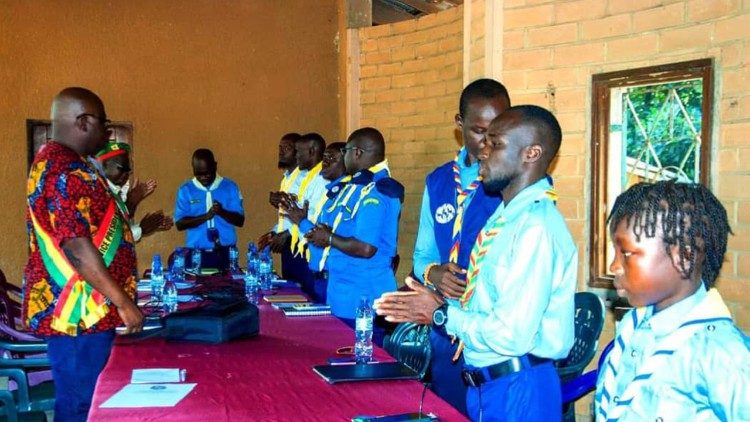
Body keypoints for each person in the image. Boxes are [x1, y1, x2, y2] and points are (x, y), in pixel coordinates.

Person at [374, 105, 576, 421]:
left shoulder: (535, 227)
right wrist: (456, 317)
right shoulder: (506, 216)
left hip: (519, 389)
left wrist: (441, 315)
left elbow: (511, 334)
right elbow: (491, 303)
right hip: (490, 384)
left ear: (531, 153)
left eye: (495, 144)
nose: (482, 152)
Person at [24, 87, 144, 421]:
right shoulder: (62, 169)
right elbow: (76, 247)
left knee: (89, 400)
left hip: (89, 310)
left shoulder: (72, 164)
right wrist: (123, 302)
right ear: (83, 121)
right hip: (78, 312)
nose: (106, 132)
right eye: (103, 123)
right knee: (81, 405)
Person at [595, 181, 749, 421]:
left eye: (625, 253)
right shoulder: (633, 326)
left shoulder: (723, 354)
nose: (614, 266)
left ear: (683, 257)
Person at [412, 78, 510, 414]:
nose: (489, 141)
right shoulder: (438, 181)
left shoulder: (513, 181)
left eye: (498, 129)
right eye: (480, 131)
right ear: (460, 125)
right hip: (445, 325)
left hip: (493, 331)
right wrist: (433, 273)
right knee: (450, 409)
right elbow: (422, 254)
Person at [306, 128, 402, 336]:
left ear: (357, 153)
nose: (344, 157)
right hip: (343, 294)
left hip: (362, 298)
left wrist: (329, 238)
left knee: (362, 362)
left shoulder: (378, 191)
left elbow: (366, 247)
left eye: (345, 151)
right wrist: (330, 233)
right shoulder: (357, 186)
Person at [281, 141, 347, 302]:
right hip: (318, 274)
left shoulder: (345, 195)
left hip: (333, 279)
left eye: (333, 158)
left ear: (348, 163)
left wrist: (302, 221)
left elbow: (325, 237)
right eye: (325, 156)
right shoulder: (332, 194)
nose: (326, 161)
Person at [174, 148, 245, 266]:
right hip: (196, 253)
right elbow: (180, 224)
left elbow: (240, 221)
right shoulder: (185, 190)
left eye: (207, 173)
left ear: (215, 166)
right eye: (198, 174)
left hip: (226, 251)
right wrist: (206, 216)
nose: (203, 178)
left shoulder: (230, 187)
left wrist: (222, 212)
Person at [95, 141, 173, 241]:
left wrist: (151, 224)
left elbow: (119, 226)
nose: (127, 174)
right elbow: (108, 240)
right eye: (123, 168)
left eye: (128, 170)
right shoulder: (97, 193)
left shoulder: (115, 191)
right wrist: (141, 229)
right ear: (104, 165)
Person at [283, 132, 328, 293]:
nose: (296, 157)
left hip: (313, 249)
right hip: (302, 247)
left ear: (312, 151)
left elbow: (314, 217)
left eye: (299, 152)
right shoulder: (307, 177)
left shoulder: (322, 178)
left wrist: (298, 220)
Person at [258, 133, 301, 276]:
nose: (281, 152)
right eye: (280, 148)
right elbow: (287, 216)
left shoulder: (304, 179)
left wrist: (287, 234)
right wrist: (275, 232)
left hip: (300, 243)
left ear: (298, 152)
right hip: (286, 244)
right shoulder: (287, 178)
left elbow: (312, 215)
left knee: (303, 293)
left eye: (287, 148)